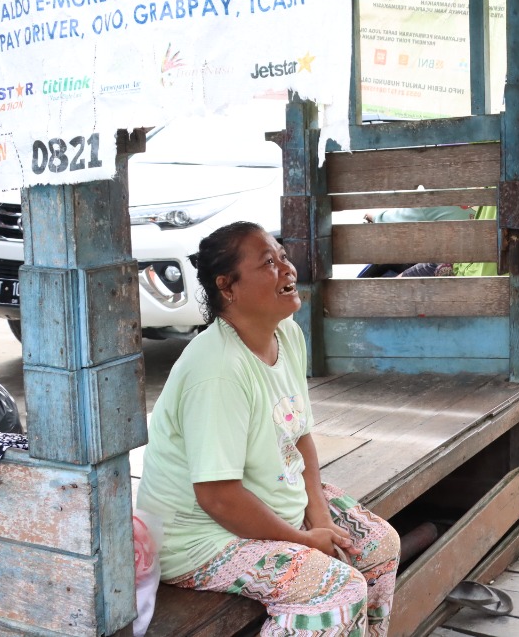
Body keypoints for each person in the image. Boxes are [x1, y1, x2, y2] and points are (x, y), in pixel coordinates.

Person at [137, 222, 400, 637]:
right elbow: (218, 497)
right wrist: (304, 540)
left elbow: (300, 437)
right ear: (227, 286)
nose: (287, 269)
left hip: (269, 501)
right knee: (337, 589)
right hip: (199, 538)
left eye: (283, 256)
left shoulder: (287, 335)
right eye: (268, 263)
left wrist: (318, 516)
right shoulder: (218, 370)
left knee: (379, 545)